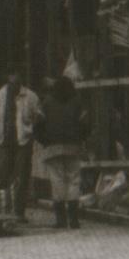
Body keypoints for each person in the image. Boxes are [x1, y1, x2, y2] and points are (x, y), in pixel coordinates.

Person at [0, 65, 42, 223]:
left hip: (23, 142)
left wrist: (30, 131)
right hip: (3, 141)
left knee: (22, 176)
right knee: (2, 176)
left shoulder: (31, 97)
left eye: (17, 75)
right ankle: (4, 212)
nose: (14, 79)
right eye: (12, 75)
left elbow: (38, 116)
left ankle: (19, 212)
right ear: (7, 77)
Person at [37, 76, 88, 229]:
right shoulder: (78, 101)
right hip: (73, 146)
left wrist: (45, 141)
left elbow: (37, 126)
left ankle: (61, 220)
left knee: (57, 181)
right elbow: (86, 125)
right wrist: (80, 139)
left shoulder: (46, 102)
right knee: (74, 180)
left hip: (52, 148)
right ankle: (74, 219)